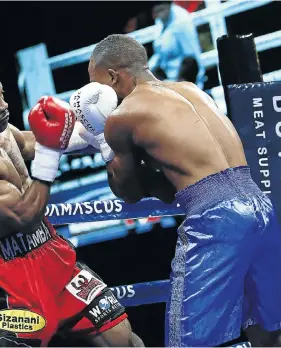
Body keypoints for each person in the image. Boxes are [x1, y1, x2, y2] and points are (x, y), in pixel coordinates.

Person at [69, 34, 281, 347]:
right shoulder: (190, 90)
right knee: (269, 333)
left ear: (112, 76)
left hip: (216, 222)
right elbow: (183, 181)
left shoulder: (122, 118)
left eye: (95, 81)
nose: (93, 91)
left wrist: (102, 140)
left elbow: (127, 192)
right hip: (261, 207)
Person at [0, 57, 144, 347]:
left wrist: (94, 129)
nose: (4, 106)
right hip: (10, 276)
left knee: (124, 341)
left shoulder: (3, 133)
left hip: (52, 252)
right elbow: (25, 215)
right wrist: (49, 156)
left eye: (2, 96)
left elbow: (39, 141)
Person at [148, 1, 205, 88]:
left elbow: (192, 60)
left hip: (185, 81)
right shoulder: (160, 21)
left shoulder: (181, 21)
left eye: (160, 4)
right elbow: (159, 54)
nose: (157, 8)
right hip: (166, 80)